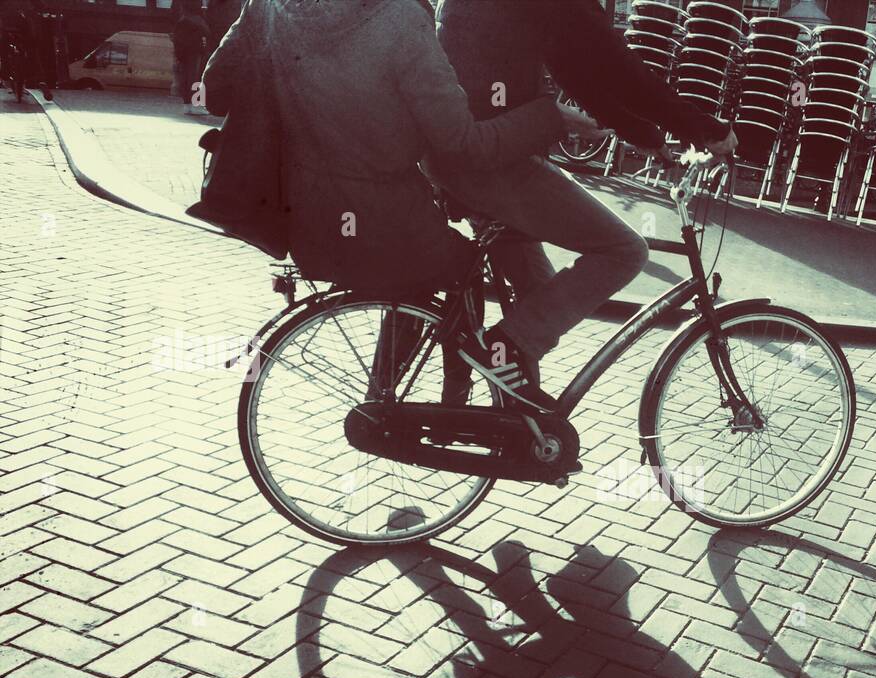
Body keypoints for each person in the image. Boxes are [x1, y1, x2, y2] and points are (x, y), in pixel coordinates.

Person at [201, 1, 603, 315]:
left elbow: (214, 90)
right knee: (461, 268)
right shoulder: (401, 18)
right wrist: (549, 116)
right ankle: (457, 404)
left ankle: (390, 398)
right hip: (383, 218)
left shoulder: (268, 6)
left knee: (415, 284)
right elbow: (463, 143)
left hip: (303, 218)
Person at [432, 0, 738, 409]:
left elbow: (576, 69)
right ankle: (501, 348)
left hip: (463, 150)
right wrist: (703, 128)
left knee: (538, 302)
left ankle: (520, 430)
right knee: (625, 251)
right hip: (491, 156)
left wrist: (647, 136)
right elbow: (614, 65)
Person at [172, 0, 209, 115]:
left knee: (185, 74)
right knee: (197, 74)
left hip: (183, 45)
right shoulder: (196, 19)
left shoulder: (182, 16)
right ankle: (196, 104)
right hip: (195, 45)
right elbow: (207, 31)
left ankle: (187, 104)